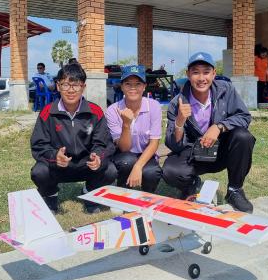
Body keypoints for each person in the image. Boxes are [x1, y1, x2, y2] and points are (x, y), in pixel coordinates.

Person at [162, 52, 256, 213]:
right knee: (171, 171)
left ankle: (235, 190)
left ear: (214, 74)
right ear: (188, 74)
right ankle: (191, 185)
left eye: (206, 72)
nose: (201, 78)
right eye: (195, 72)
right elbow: (174, 145)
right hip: (194, 154)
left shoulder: (226, 90)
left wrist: (219, 127)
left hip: (221, 152)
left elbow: (244, 117)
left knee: (243, 136)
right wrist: (179, 122)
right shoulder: (177, 103)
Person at [30, 63, 117, 214]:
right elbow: (39, 145)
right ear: (58, 86)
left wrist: (98, 157)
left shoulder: (95, 111)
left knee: (110, 170)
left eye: (76, 85)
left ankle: (89, 192)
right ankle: (50, 196)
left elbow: (104, 143)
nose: (70, 90)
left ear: (83, 87)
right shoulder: (47, 112)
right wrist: (55, 156)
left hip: (86, 165)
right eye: (65, 85)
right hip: (59, 165)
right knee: (39, 172)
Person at [106, 65, 162, 193]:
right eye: (128, 84)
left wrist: (138, 166)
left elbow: (154, 143)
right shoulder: (112, 110)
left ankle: (147, 195)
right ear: (121, 86)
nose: (133, 88)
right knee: (127, 161)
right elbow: (124, 148)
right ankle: (122, 190)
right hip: (123, 155)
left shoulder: (154, 106)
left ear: (144, 86)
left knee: (152, 172)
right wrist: (126, 124)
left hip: (145, 153)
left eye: (138, 84)